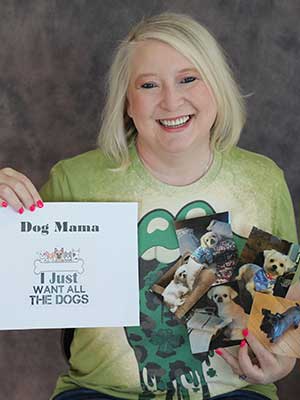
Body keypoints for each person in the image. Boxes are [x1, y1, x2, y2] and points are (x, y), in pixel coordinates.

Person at [0, 12, 298, 400]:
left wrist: (281, 361)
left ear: (217, 87)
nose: (171, 100)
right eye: (149, 85)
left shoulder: (260, 180)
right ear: (127, 103)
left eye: (188, 78)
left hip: (234, 391)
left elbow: (285, 305)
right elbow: (14, 277)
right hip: (98, 392)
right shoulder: (77, 180)